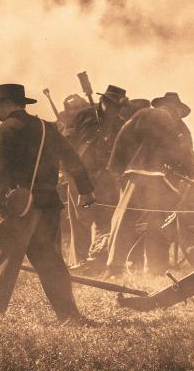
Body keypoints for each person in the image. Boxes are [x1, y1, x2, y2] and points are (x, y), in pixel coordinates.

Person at [0, 84, 95, 320]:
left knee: (2, 257)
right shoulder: (46, 128)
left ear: (8, 104)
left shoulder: (6, 129)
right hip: (48, 204)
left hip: (19, 208)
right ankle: (70, 315)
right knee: (51, 263)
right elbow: (71, 158)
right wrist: (86, 189)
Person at [105, 92, 194, 277]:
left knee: (124, 220)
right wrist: (190, 173)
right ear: (177, 107)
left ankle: (115, 267)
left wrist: (118, 167)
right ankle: (155, 268)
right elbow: (187, 153)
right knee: (158, 222)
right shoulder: (180, 125)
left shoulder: (144, 114)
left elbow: (123, 138)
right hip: (162, 179)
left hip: (136, 175)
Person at [67, 85, 128, 267]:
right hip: (81, 176)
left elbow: (123, 152)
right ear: (104, 102)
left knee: (106, 219)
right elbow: (67, 144)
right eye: (112, 106)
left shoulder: (119, 124)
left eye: (118, 108)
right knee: (82, 220)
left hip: (106, 178)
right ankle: (80, 260)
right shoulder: (83, 116)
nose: (115, 111)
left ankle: (99, 259)